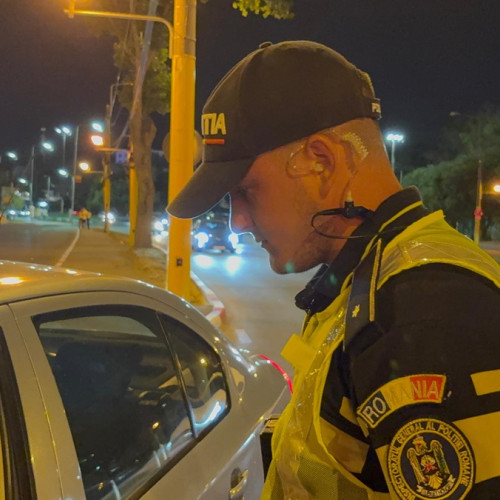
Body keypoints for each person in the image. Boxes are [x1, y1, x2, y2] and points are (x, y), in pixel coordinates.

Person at [168, 41, 500, 499]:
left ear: (321, 162)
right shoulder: (370, 279)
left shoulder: (423, 311)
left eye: (245, 190)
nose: (237, 222)